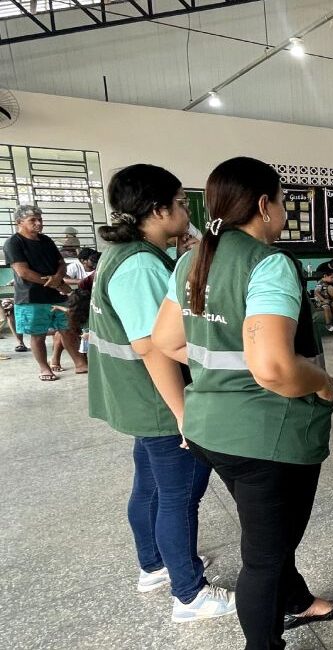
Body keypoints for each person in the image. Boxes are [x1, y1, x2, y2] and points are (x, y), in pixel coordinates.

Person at [151, 157, 333, 649]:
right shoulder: (269, 264)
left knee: (270, 537)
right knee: (262, 559)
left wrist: (221, 370)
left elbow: (167, 340)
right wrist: (323, 382)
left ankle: (297, 600)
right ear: (264, 205)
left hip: (209, 430)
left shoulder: (194, 259)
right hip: (268, 439)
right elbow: (275, 369)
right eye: (282, 201)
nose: (283, 212)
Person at [87, 164, 235, 623]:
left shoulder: (126, 253)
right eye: (178, 203)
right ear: (158, 209)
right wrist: (183, 414)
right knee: (178, 495)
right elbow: (153, 347)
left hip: (135, 396)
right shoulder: (138, 265)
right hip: (156, 399)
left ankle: (154, 566)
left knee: (149, 486)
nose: (185, 211)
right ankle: (189, 595)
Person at [3, 204, 87, 380]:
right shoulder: (13, 243)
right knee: (38, 334)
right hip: (31, 297)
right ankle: (44, 368)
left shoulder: (46, 240)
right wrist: (56, 284)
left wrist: (58, 277)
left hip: (56, 295)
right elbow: (23, 272)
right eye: (32, 220)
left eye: (40, 219)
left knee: (68, 329)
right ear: (19, 222)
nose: (38, 223)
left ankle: (80, 363)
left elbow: (62, 264)